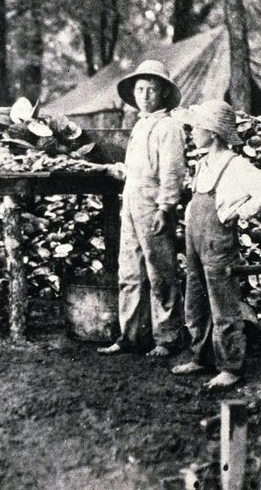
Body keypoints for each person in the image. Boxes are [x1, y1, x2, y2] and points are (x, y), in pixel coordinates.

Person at [171, 100, 261, 390]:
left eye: (197, 128)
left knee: (223, 305)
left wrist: (236, 212)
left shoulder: (236, 166)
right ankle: (202, 357)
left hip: (218, 242)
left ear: (214, 133)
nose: (192, 133)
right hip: (195, 240)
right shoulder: (203, 162)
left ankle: (231, 367)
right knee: (195, 299)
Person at [99, 60, 186, 357]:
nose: (145, 95)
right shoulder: (140, 125)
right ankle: (131, 334)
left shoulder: (169, 126)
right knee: (130, 271)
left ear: (163, 93)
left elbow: (172, 171)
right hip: (132, 202)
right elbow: (141, 166)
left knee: (160, 272)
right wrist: (122, 171)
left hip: (154, 205)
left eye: (151, 89)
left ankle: (167, 337)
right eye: (140, 89)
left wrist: (166, 208)